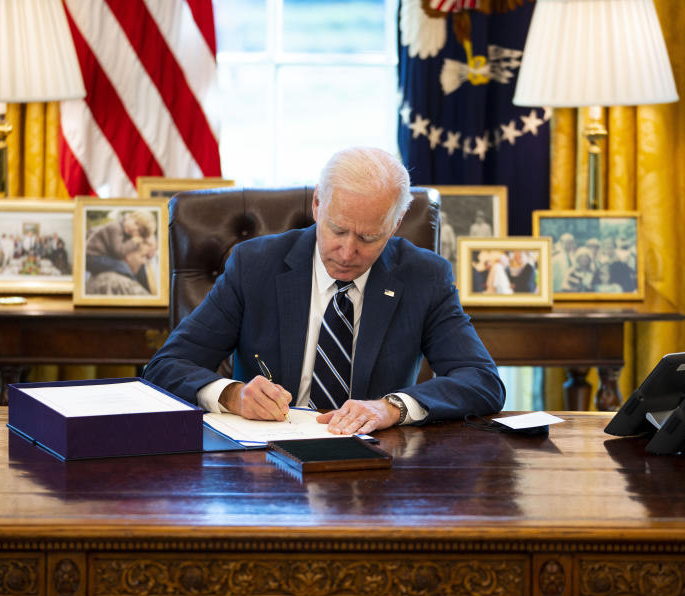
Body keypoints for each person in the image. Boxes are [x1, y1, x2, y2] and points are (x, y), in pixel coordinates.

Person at [144, 147, 505, 435]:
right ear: (318, 205)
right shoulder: (255, 265)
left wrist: (391, 407)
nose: (348, 252)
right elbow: (166, 366)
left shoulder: (425, 276)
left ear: (395, 224)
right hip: (266, 461)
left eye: (368, 237)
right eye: (337, 229)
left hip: (375, 465)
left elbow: (482, 381)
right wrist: (231, 395)